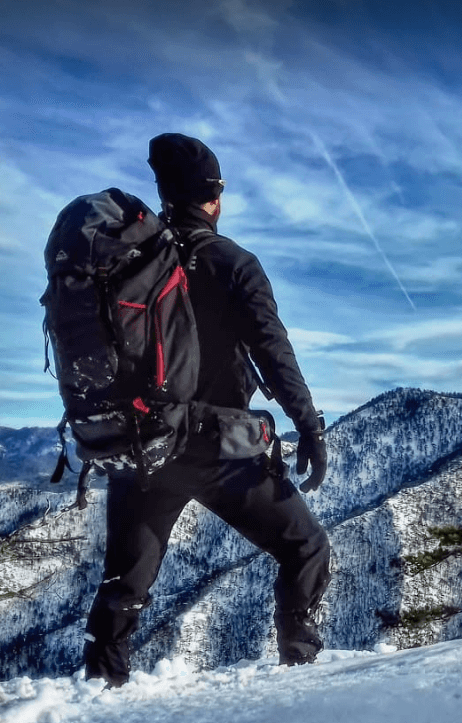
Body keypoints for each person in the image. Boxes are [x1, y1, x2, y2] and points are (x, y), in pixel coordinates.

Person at [82, 133, 331, 687]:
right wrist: (310, 426)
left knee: (125, 582)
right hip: (219, 451)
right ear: (214, 196)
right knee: (305, 546)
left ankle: (99, 689)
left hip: (142, 445)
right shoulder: (232, 263)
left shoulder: (130, 263)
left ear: (165, 195)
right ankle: (301, 676)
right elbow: (273, 352)